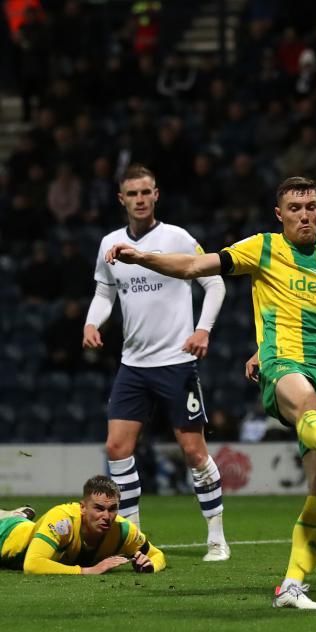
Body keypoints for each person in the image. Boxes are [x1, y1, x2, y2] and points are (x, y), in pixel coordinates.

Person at [105, 176, 316, 610]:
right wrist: (142, 257)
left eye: (311, 207)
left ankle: (291, 586)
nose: (304, 215)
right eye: (295, 208)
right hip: (282, 363)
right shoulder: (262, 247)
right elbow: (194, 267)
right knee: (306, 400)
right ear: (279, 214)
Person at [83, 164, 229, 562]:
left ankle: (217, 537)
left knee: (194, 452)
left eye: (146, 192)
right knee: (116, 448)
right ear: (121, 199)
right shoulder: (110, 243)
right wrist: (92, 322)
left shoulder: (177, 238)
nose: (140, 199)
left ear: (156, 194)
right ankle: (132, 539)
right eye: (132, 194)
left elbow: (215, 283)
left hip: (176, 362)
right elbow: (104, 292)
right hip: (133, 365)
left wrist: (203, 330)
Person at [0, 476, 165, 575]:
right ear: (83, 507)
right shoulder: (63, 520)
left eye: (112, 509)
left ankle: (20, 516)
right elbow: (32, 565)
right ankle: (15, 516)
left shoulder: (123, 530)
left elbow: (157, 555)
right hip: (7, 535)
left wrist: (151, 565)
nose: (106, 516)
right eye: (99, 508)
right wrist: (88, 571)